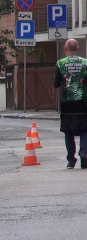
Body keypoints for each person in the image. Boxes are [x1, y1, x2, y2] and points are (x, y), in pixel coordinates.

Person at [53, 38, 87, 169]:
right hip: (83, 101)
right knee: (85, 129)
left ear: (65, 49)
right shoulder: (85, 63)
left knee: (68, 130)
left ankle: (71, 160)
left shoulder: (60, 63)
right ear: (78, 49)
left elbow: (56, 84)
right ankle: (84, 155)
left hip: (67, 102)